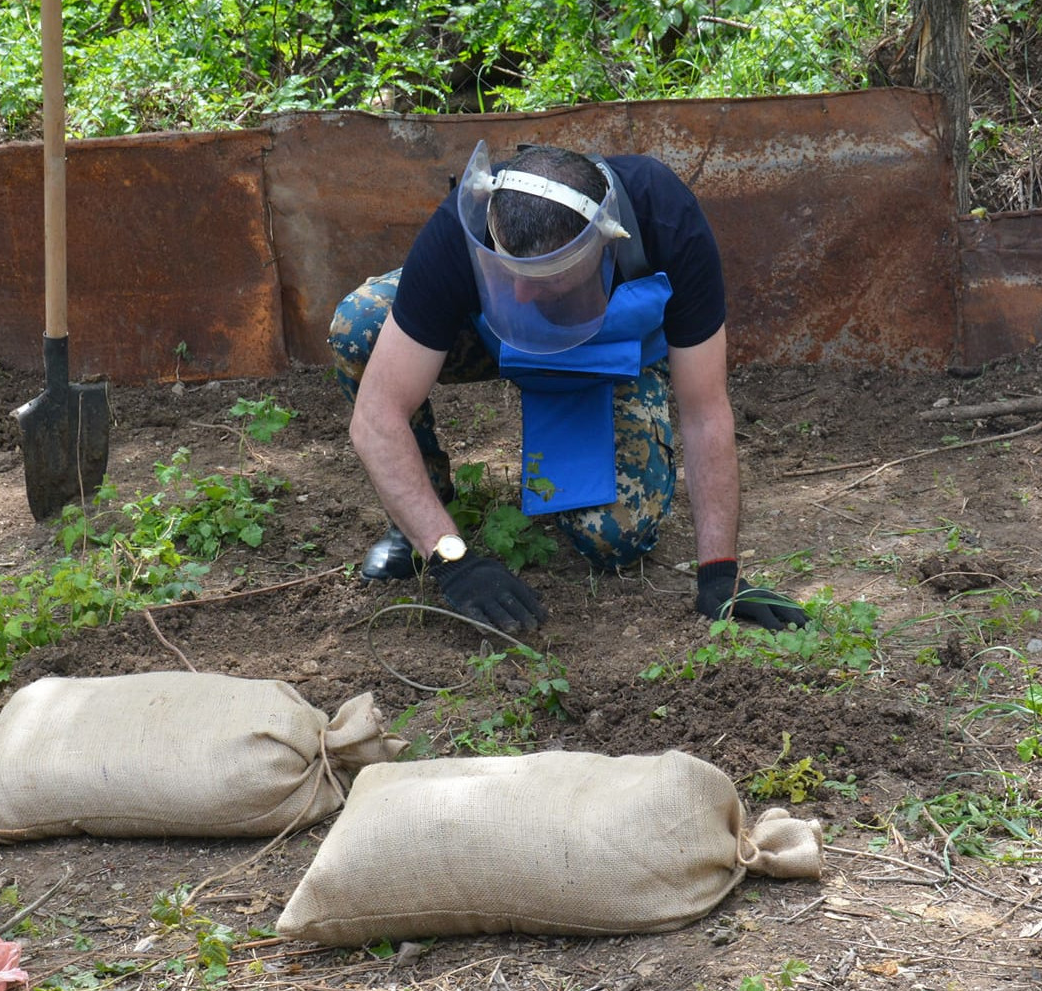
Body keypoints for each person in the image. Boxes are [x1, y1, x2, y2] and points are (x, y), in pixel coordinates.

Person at [331, 141, 806, 635]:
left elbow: (705, 410)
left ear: (601, 243)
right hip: (491, 343)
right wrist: (449, 556)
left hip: (611, 359)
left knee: (612, 537)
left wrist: (720, 574)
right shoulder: (462, 227)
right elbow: (376, 415)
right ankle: (422, 514)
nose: (517, 295)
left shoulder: (664, 218)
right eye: (506, 269)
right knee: (360, 324)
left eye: (543, 278)